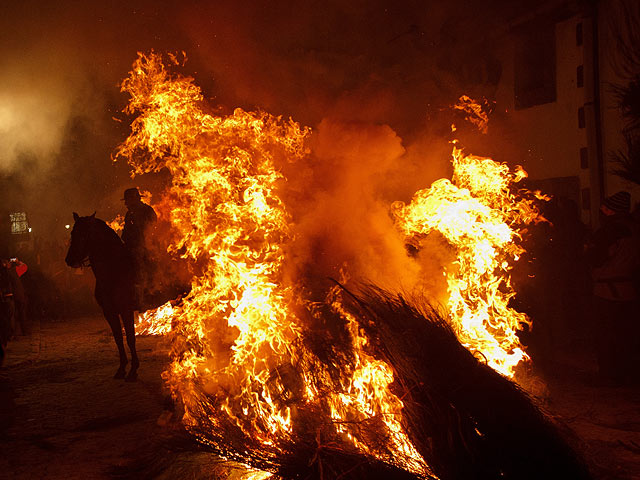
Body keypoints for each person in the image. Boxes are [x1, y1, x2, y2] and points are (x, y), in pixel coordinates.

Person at [587, 191, 640, 385]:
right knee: (626, 335)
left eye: (604, 208)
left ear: (611, 210)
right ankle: (627, 373)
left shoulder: (609, 232)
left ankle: (609, 376)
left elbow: (596, 257)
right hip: (629, 289)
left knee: (606, 335)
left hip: (607, 291)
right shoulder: (635, 229)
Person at [121, 188, 157, 309]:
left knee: (140, 264)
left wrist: (139, 241)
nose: (126, 203)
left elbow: (151, 230)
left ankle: (145, 295)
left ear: (136, 199)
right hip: (131, 246)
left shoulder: (147, 211)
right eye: (125, 200)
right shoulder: (129, 213)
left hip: (146, 246)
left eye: (128, 200)